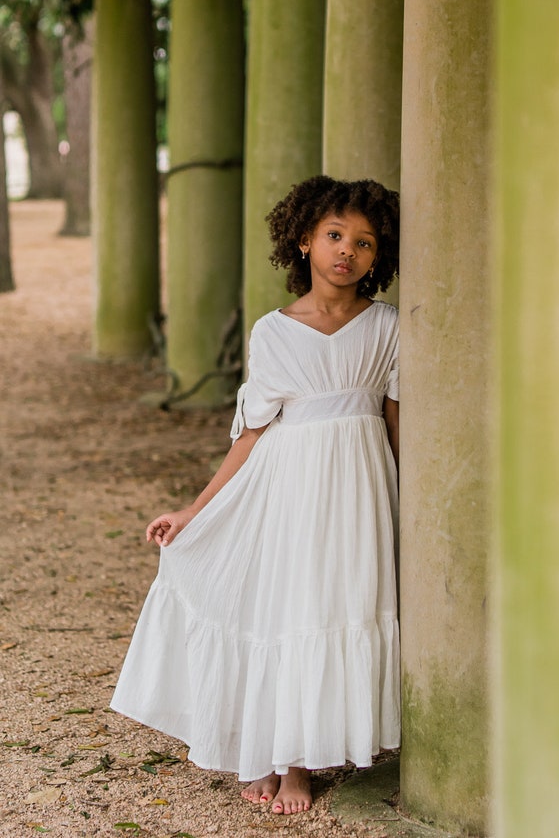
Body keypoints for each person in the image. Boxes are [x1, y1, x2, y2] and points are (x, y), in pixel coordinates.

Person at [110, 175, 401, 815]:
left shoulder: (387, 327)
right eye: (334, 236)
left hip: (358, 487)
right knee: (286, 608)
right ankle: (279, 758)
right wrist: (194, 510)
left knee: (335, 603)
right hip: (288, 486)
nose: (347, 251)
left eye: (365, 242)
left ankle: (303, 755)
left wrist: (404, 500)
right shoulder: (273, 332)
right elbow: (252, 434)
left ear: (380, 257)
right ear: (303, 241)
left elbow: (394, 416)